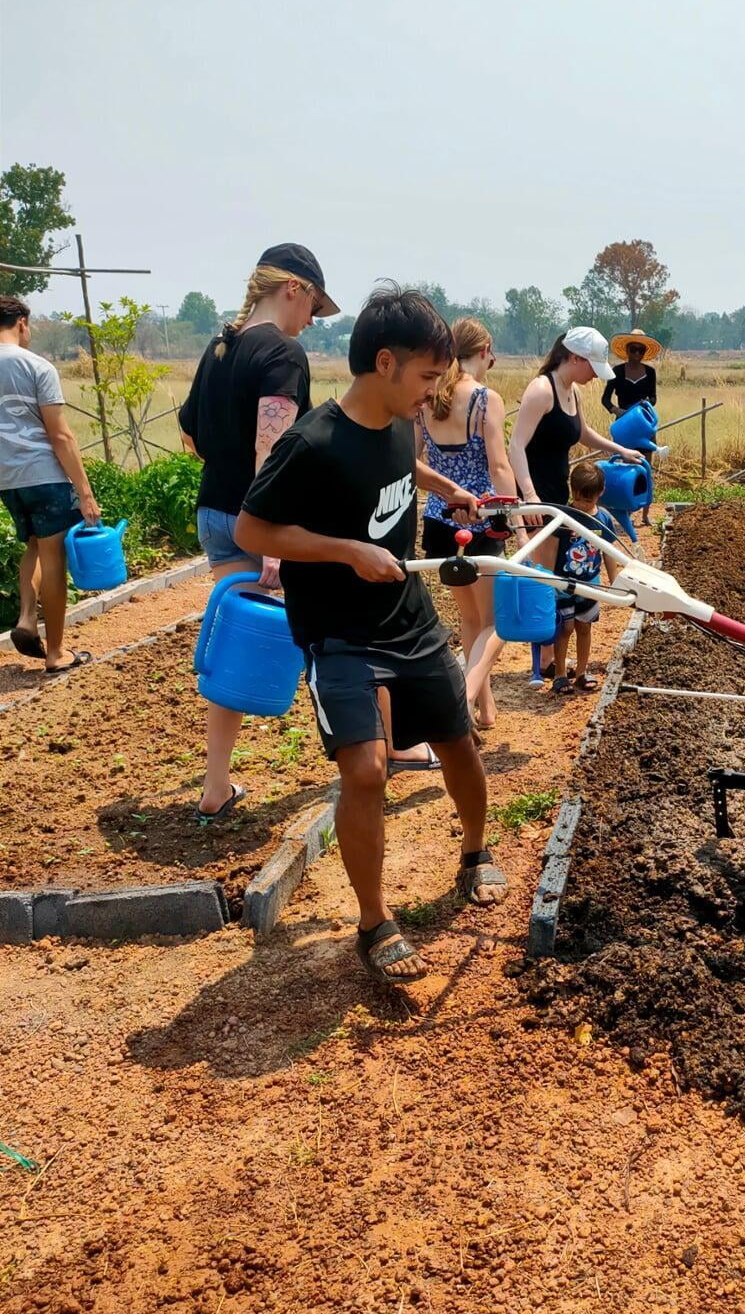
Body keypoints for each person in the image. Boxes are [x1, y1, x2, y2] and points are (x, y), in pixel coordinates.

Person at [235, 284, 508, 988]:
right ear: (384, 363)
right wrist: (347, 551)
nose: (433, 392)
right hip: (339, 634)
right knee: (364, 770)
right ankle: (373, 919)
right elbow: (252, 529)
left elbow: (395, 466)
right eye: (426, 376)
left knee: (458, 741)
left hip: (408, 621)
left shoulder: (397, 422)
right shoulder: (311, 443)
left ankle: (475, 852)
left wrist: (442, 486)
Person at [179, 243, 337, 817]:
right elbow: (271, 453)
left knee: (235, 644)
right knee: (331, 629)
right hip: (259, 521)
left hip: (214, 514)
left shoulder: (219, 346)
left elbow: (190, 432)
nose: (312, 320)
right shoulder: (283, 353)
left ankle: (215, 787)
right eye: (314, 306)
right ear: (293, 288)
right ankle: (378, 748)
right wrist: (270, 536)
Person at [508, 327, 641, 673]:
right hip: (536, 496)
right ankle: (546, 658)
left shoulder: (571, 392)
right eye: (591, 368)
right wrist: (529, 495)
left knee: (557, 574)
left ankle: (552, 653)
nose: (594, 377)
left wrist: (620, 450)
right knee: (546, 577)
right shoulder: (541, 390)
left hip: (558, 493)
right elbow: (516, 446)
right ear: (574, 357)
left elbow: (581, 433)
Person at [416, 317, 517, 730]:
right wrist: (513, 516)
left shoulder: (428, 399)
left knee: (471, 619)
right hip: (482, 519)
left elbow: (414, 461)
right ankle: (466, 698)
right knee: (497, 622)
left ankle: (486, 711)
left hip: (440, 519)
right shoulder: (484, 399)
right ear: (485, 350)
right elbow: (498, 465)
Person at [0, 295, 102, 672]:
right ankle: (56, 653)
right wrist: (85, 492)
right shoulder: (36, 366)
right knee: (53, 556)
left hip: (7, 479)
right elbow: (60, 436)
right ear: (21, 323)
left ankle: (27, 618)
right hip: (44, 474)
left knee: (33, 544)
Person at [549, 461, 620, 696]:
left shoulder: (603, 519)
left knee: (584, 626)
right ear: (572, 491)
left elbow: (608, 551)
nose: (582, 505)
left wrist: (615, 580)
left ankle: (581, 672)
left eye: (588, 501)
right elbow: (551, 549)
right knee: (565, 627)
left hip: (590, 584)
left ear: (601, 493)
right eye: (578, 499)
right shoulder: (562, 517)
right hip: (563, 584)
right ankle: (560, 674)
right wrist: (547, 578)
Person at [603, 329, 663, 528]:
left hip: (644, 425)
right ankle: (626, 511)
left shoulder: (650, 372)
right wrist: (617, 411)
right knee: (626, 469)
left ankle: (645, 514)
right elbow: (605, 399)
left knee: (645, 468)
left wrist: (647, 403)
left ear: (644, 353)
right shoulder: (617, 372)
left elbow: (653, 397)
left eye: (640, 350)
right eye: (633, 349)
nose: (636, 353)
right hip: (625, 427)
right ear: (626, 351)